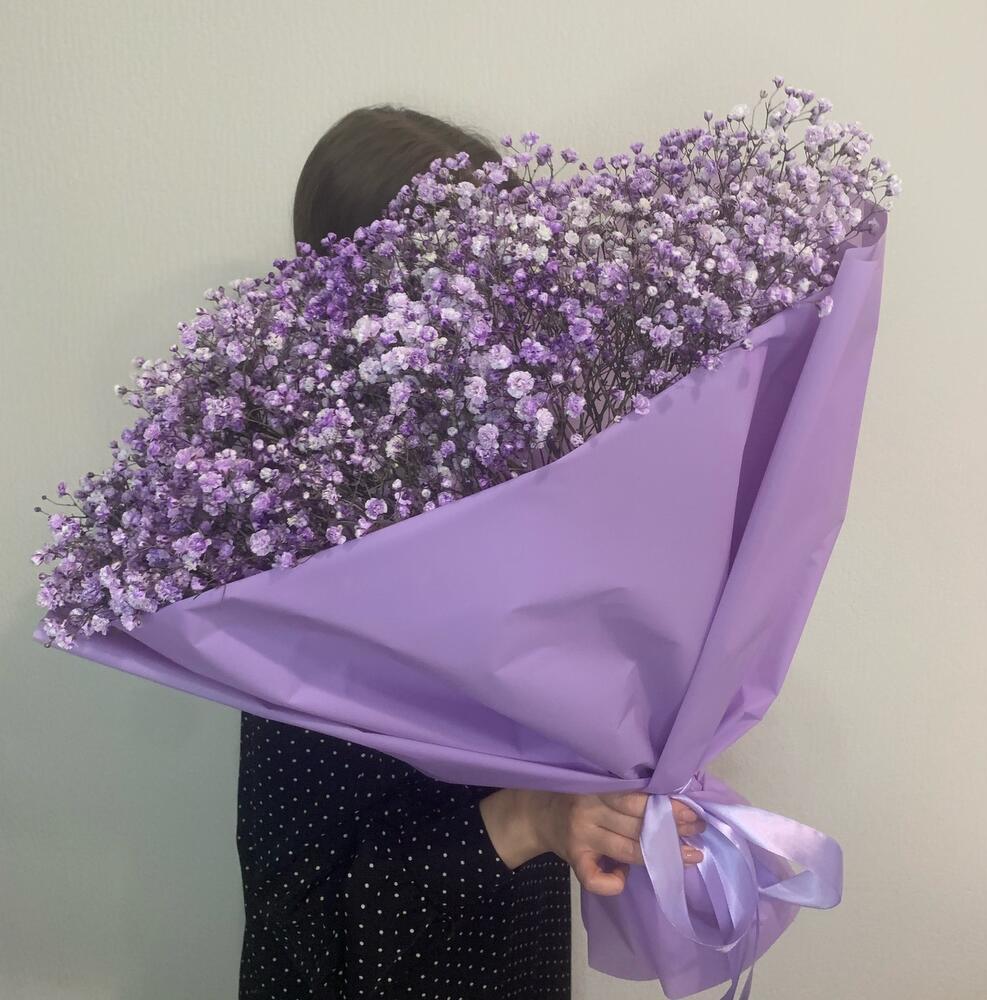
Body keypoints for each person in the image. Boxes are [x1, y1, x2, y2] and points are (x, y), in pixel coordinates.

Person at [235, 104, 706, 1000]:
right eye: (462, 283)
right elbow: (308, 922)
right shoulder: (296, 555)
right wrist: (533, 816)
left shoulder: (511, 500)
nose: (502, 318)